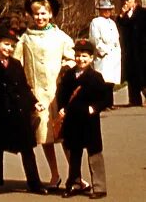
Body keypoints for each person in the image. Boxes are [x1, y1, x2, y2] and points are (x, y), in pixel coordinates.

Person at [0, 26, 49, 196]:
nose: (8, 48)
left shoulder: (16, 65)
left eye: (11, 46)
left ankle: (34, 183)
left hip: (19, 112)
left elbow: (24, 87)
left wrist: (33, 103)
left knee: (27, 149)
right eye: (5, 44)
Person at [14, 0, 75, 189]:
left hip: (57, 93)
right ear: (31, 15)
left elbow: (72, 58)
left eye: (43, 14)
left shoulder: (60, 37)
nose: (40, 18)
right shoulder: (26, 39)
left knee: (64, 134)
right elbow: (17, 65)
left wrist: (67, 68)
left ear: (51, 14)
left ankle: (74, 175)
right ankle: (54, 174)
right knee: (45, 136)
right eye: (36, 14)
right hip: (38, 94)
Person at [57, 39, 109, 198]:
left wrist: (95, 108)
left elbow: (106, 98)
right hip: (73, 120)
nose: (81, 59)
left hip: (89, 121)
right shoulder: (69, 76)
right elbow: (62, 95)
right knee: (74, 153)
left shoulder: (96, 77)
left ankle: (99, 187)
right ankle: (74, 183)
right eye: (78, 55)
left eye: (85, 56)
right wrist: (61, 108)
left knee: (94, 153)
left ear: (91, 58)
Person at [88, 0, 121, 109]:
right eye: (104, 9)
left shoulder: (112, 22)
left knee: (110, 82)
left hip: (113, 55)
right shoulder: (96, 22)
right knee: (103, 81)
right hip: (104, 56)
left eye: (109, 9)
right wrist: (102, 51)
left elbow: (116, 38)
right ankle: (102, 103)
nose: (107, 11)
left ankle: (110, 103)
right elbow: (95, 39)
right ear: (100, 10)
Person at [115, 0, 146, 107]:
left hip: (142, 49)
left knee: (143, 73)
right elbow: (118, 30)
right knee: (132, 75)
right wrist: (121, 16)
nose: (125, 3)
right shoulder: (122, 16)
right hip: (129, 50)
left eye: (127, 0)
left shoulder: (143, 13)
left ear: (133, 0)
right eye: (123, 0)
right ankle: (134, 99)